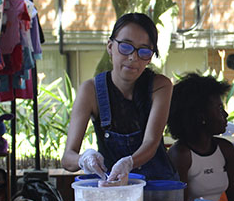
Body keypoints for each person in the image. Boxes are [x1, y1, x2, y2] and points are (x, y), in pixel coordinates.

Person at [61, 13, 178, 183]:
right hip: (114, 190)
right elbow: (67, 160)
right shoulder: (90, 90)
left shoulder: (160, 86)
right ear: (110, 46)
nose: (133, 57)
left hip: (157, 187)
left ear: (150, 57)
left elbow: (151, 143)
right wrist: (84, 158)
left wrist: (129, 162)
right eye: (125, 47)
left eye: (144, 51)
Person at [167, 73, 234, 201]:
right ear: (200, 116)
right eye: (219, 108)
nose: (226, 115)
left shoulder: (225, 149)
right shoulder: (180, 155)